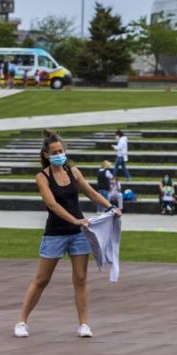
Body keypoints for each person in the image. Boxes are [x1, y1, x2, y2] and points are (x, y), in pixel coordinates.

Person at [15, 130, 121, 338]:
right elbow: (52, 204)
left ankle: (84, 324)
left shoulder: (73, 171)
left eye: (61, 150)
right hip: (55, 233)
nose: (59, 154)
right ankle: (21, 321)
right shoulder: (42, 177)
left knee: (80, 278)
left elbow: (91, 193)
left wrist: (111, 207)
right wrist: (74, 219)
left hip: (79, 234)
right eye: (54, 152)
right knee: (42, 279)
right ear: (46, 155)